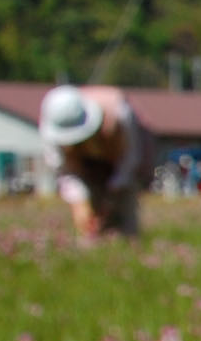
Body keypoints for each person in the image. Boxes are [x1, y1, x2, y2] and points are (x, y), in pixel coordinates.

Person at [40, 85, 153, 240]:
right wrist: (80, 203)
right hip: (84, 169)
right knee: (89, 224)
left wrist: (114, 191)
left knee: (125, 217)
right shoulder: (51, 130)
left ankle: (128, 244)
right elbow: (64, 170)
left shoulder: (119, 112)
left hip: (120, 164)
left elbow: (131, 157)